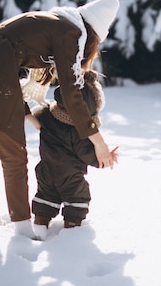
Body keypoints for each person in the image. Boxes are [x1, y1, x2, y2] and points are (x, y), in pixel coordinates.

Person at [0, 0, 120, 238]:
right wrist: (98, 140)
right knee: (14, 157)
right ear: (93, 35)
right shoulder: (70, 32)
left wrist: (32, 117)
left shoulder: (52, 22)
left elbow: (4, 55)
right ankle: (22, 231)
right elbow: (71, 90)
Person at [25, 64, 117, 241]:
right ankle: (72, 229)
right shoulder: (80, 133)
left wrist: (26, 114)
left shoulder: (47, 115)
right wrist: (105, 161)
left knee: (45, 196)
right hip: (70, 177)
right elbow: (88, 155)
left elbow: (37, 122)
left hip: (46, 171)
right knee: (77, 198)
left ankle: (40, 224)